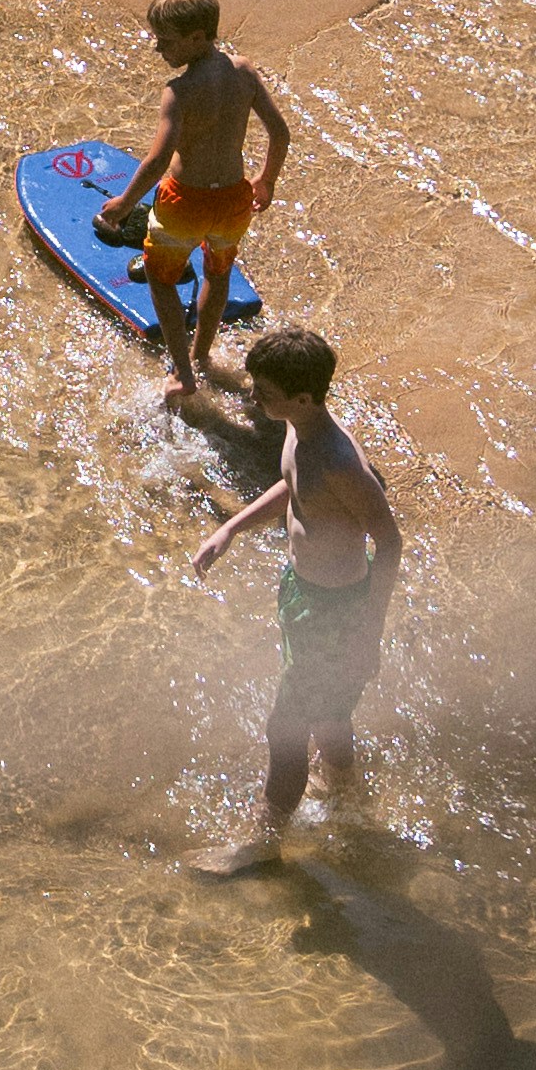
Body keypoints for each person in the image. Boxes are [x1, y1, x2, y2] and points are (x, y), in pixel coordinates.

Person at [187, 328, 401, 872]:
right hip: (310, 596)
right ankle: (347, 792)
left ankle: (261, 847)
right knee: (327, 712)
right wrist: (231, 528)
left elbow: (390, 539)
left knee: (285, 731)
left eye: (264, 390)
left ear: (302, 398)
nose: (253, 397)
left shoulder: (337, 460)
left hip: (335, 613)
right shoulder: (300, 432)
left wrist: (367, 633)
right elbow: (293, 485)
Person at [99, 0, 292, 413]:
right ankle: (202, 354)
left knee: (161, 277)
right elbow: (280, 133)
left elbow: (157, 160)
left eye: (165, 40)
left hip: (185, 204)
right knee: (217, 275)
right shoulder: (243, 72)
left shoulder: (178, 91)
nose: (157, 49)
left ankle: (183, 371)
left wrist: (124, 204)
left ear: (198, 35)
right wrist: (266, 180)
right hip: (233, 203)